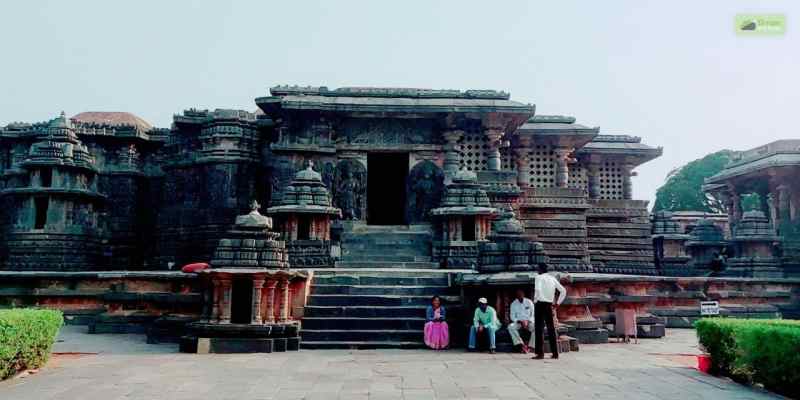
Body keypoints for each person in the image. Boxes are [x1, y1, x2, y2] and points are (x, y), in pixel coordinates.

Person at [532, 263, 566, 359]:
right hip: (549, 304)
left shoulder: (538, 278)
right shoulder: (552, 278)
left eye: (538, 268)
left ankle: (540, 353)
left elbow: (537, 290)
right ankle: (555, 353)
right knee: (551, 329)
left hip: (540, 304)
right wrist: (558, 303)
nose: (537, 270)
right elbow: (563, 291)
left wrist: (536, 300)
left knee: (539, 329)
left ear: (540, 269)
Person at [507, 288, 535, 353]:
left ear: (523, 294)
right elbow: (512, 316)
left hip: (529, 322)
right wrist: (520, 321)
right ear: (516, 296)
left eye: (521, 294)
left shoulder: (529, 302)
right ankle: (521, 344)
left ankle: (530, 347)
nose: (520, 296)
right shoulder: (513, 304)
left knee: (537, 327)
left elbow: (533, 314)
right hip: (519, 322)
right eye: (518, 295)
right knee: (510, 327)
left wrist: (527, 321)